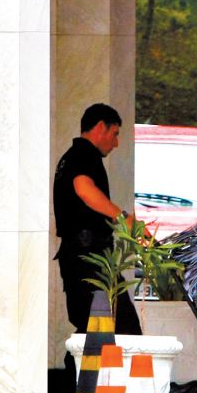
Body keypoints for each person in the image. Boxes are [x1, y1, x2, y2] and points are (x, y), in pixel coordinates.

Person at [53, 103, 142, 337]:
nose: (116, 143)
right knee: (122, 329)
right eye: (115, 134)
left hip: (81, 255)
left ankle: (82, 373)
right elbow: (84, 189)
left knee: (93, 330)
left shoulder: (71, 157)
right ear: (101, 127)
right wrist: (123, 219)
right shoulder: (84, 154)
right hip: (89, 257)